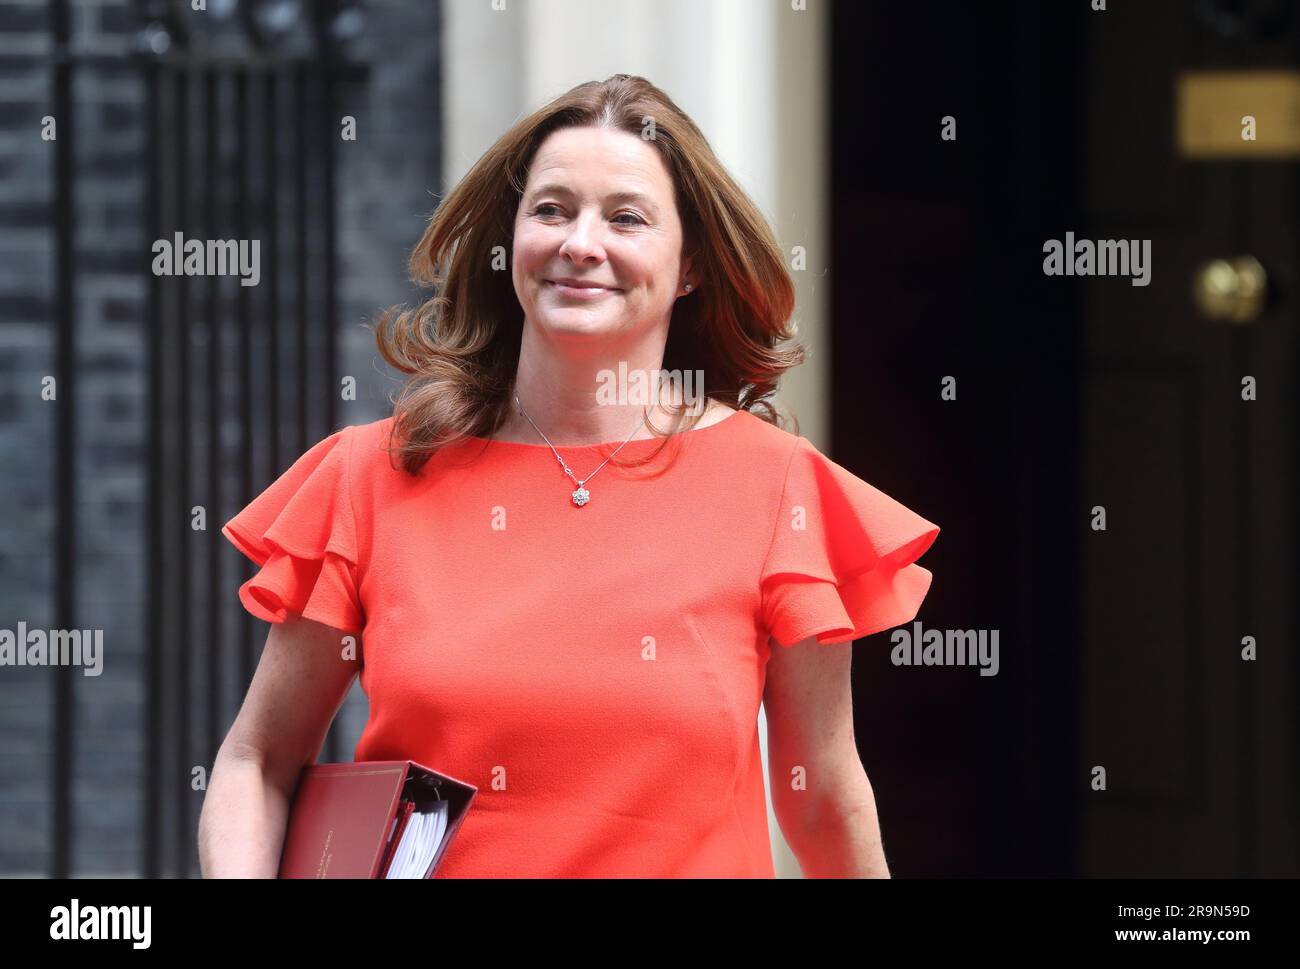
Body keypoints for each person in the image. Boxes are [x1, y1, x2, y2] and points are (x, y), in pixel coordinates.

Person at [197, 74, 939, 879]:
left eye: (626, 217)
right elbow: (257, 761)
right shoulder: (372, 476)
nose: (581, 242)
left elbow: (822, 797)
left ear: (689, 264)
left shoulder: (779, 491)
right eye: (551, 209)